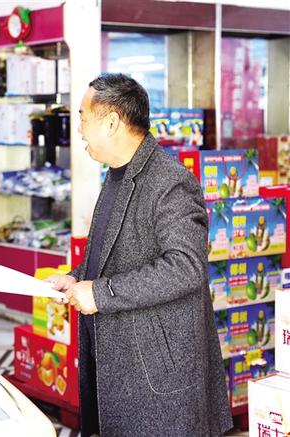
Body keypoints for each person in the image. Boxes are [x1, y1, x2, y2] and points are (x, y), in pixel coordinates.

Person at [45, 74, 232, 436]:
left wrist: (100, 293)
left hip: (153, 370)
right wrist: (76, 277)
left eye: (83, 117)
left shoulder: (169, 180)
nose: (79, 129)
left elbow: (185, 266)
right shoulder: (117, 174)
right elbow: (112, 251)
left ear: (111, 122)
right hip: (117, 356)